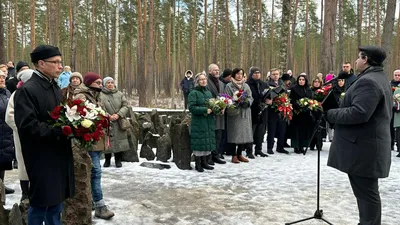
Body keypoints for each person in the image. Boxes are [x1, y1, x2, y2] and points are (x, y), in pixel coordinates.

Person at [325, 46, 392, 225]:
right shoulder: (378, 77)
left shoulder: (369, 81)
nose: (355, 61)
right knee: (366, 193)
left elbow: (359, 113)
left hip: (364, 149)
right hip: (367, 146)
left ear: (366, 60)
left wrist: (330, 114)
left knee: (367, 194)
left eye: (358, 58)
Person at [14, 45, 75, 225]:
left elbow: (58, 115)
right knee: (41, 203)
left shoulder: (54, 86)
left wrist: (75, 122)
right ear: (40, 63)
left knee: (56, 204)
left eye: (60, 62)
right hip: (41, 157)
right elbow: (27, 126)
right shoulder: (27, 90)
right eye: (55, 62)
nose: (60, 66)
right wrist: (59, 131)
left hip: (58, 153)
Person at [74, 72, 115, 220]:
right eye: (98, 82)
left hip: (95, 139)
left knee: (94, 172)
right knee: (95, 172)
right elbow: (80, 116)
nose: (101, 85)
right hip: (88, 141)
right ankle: (99, 205)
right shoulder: (81, 96)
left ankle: (90, 199)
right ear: (90, 83)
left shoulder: (95, 96)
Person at [5, 69, 35, 203]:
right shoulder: (17, 94)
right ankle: (25, 193)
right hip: (22, 136)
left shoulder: (38, 93)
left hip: (40, 136)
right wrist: (24, 129)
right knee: (23, 165)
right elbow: (9, 116)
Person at [188, 72, 216, 172]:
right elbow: (192, 108)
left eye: (205, 79)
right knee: (199, 143)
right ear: (197, 81)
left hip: (208, 121)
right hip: (199, 122)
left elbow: (212, 105)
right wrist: (204, 110)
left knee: (206, 142)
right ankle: (198, 163)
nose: (204, 81)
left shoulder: (208, 92)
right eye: (201, 79)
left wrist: (217, 109)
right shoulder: (193, 93)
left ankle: (204, 162)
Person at [224, 68, 253, 163]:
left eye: (241, 74)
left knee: (243, 134)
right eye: (237, 74)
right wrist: (235, 101)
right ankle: (233, 155)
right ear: (233, 75)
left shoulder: (246, 86)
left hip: (245, 112)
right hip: (234, 112)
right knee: (234, 133)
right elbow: (227, 98)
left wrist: (247, 102)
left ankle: (240, 153)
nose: (239, 76)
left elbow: (250, 97)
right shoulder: (229, 86)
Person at [100, 77, 130, 168]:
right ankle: (107, 159)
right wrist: (108, 116)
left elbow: (125, 105)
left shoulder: (120, 94)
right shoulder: (100, 95)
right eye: (108, 82)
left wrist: (119, 114)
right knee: (108, 141)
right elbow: (100, 107)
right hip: (107, 121)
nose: (110, 84)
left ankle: (118, 160)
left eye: (111, 82)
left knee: (119, 141)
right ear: (104, 84)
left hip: (119, 121)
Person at [247, 67, 270, 158]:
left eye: (259, 73)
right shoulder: (248, 84)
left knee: (261, 132)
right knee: (251, 132)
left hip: (263, 110)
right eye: (255, 73)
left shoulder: (264, 84)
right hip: (252, 110)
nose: (257, 74)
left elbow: (269, 95)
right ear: (251, 74)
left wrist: (269, 100)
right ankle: (249, 150)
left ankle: (258, 149)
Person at [206, 64, 226, 164]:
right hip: (211, 113)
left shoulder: (221, 83)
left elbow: (224, 96)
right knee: (211, 135)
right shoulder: (207, 83)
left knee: (219, 134)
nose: (217, 72)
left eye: (218, 70)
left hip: (220, 113)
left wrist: (224, 106)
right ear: (210, 71)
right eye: (214, 70)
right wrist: (213, 106)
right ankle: (209, 156)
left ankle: (216, 154)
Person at [0, 70, 15, 198]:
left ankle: (1, 185)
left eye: (3, 77)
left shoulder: (7, 92)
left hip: (5, 132)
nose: (2, 79)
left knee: (3, 160)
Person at [266, 68, 289, 154]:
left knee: (282, 128)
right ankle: (270, 147)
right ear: (270, 75)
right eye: (274, 74)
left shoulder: (282, 83)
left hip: (282, 109)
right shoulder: (267, 84)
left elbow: (285, 93)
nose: (276, 76)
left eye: (277, 74)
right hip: (272, 109)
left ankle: (280, 146)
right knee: (272, 129)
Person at [289, 75, 313, 154]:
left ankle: (302, 146)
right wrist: (298, 105)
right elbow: (291, 99)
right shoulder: (294, 89)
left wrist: (308, 104)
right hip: (297, 112)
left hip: (306, 113)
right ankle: (296, 146)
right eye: (300, 79)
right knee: (296, 130)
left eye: (303, 80)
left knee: (304, 130)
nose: (301, 81)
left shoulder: (308, 89)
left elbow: (311, 99)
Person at [390, 69, 400, 151]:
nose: (397, 77)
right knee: (390, 127)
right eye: (395, 75)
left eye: (398, 75)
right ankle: (391, 144)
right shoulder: (390, 84)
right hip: (391, 108)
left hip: (399, 109)